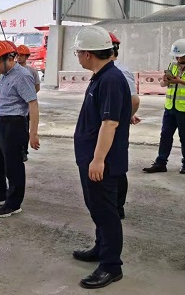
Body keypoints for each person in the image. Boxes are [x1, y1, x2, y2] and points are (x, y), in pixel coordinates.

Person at [71, 26, 131, 289]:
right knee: (97, 208)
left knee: (106, 213)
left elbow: (110, 123)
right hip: (91, 158)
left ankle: (111, 266)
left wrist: (98, 160)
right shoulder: (101, 77)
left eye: (78, 52)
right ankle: (101, 247)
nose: (77, 56)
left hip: (103, 162)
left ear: (88, 54)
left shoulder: (110, 80)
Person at [0, 41, 40, 218]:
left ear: (10, 58)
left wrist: (33, 133)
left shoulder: (22, 76)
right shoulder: (4, 75)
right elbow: (1, 98)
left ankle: (14, 203)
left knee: (13, 165)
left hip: (14, 125)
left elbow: (33, 104)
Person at [143, 39, 185, 174]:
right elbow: (163, 85)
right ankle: (161, 162)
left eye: (181, 57)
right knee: (165, 135)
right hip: (170, 107)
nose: (178, 59)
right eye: (177, 57)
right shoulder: (172, 65)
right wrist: (165, 81)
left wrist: (180, 81)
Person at [109, 32, 140, 220]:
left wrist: (126, 117)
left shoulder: (119, 71)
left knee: (116, 167)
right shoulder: (105, 71)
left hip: (115, 127)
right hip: (110, 125)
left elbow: (134, 100)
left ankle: (117, 207)